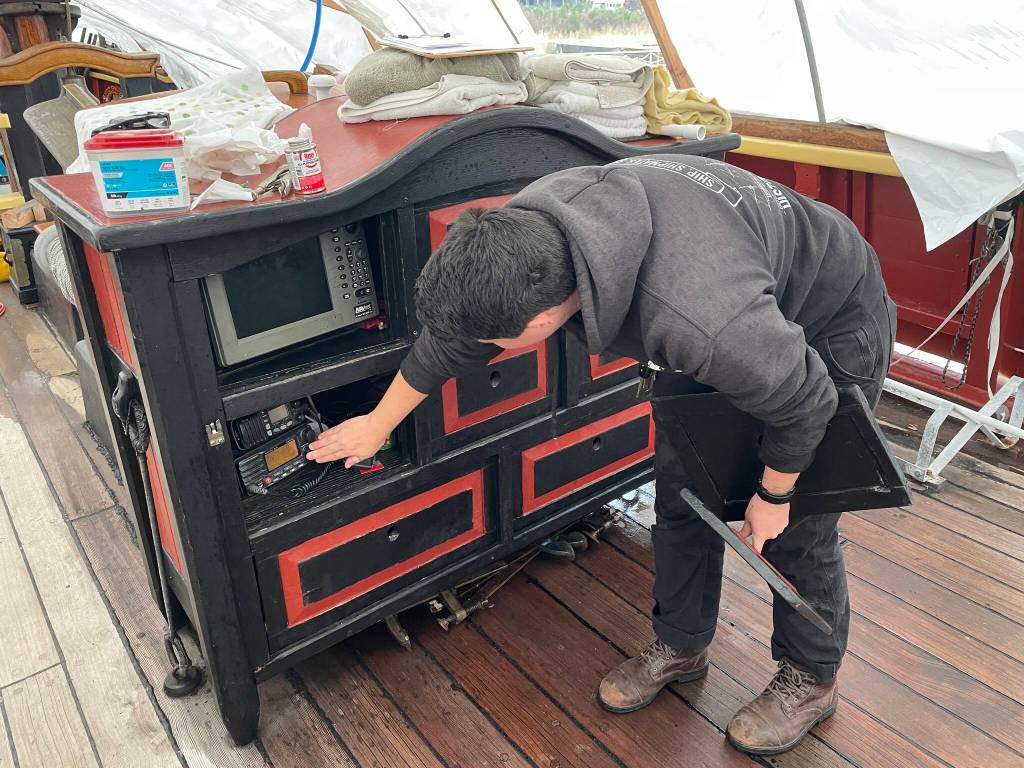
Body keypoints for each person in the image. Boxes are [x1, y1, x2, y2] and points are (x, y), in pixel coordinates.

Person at [305, 153, 896, 756]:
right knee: (683, 493)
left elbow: (804, 402)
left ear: (542, 318)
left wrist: (774, 495)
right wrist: (377, 424)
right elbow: (455, 336)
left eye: (493, 343)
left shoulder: (696, 313)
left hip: (826, 319)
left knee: (799, 525)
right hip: (733, 304)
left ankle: (812, 677)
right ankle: (681, 642)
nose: (482, 349)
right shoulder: (523, 236)